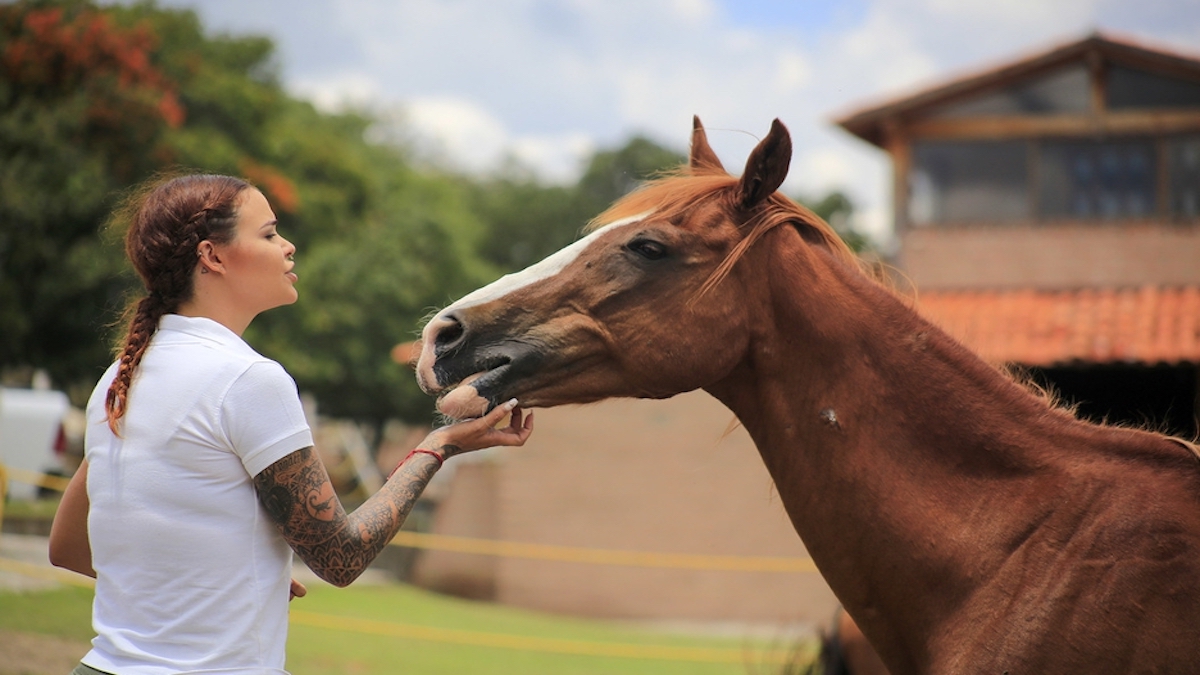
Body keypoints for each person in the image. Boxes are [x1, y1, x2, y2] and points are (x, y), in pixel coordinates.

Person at [48, 173, 534, 675]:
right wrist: (439, 446)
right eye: (269, 234)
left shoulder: (120, 377)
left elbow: (66, 546)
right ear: (212, 257)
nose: (289, 245)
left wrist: (224, 580)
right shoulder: (248, 380)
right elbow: (341, 559)